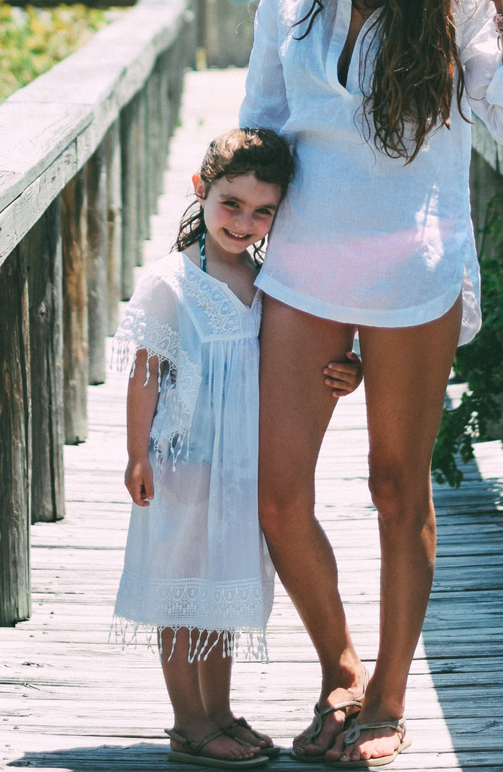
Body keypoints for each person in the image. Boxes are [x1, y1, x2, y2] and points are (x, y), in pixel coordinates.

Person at [240, 0, 503, 769]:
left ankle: (388, 701)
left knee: (394, 485)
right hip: (300, 273)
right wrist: (222, 254)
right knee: (278, 494)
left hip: (415, 277)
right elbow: (260, 131)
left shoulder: (454, 6)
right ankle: (339, 670)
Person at [111, 126, 363, 767]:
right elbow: (147, 370)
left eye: (262, 212)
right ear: (201, 189)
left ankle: (219, 712)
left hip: (239, 468)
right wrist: (137, 453)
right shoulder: (173, 281)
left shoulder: (268, 277)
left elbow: (290, 359)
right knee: (181, 590)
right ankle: (189, 723)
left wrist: (347, 368)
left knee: (218, 591)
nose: (244, 221)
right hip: (185, 460)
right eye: (231, 204)